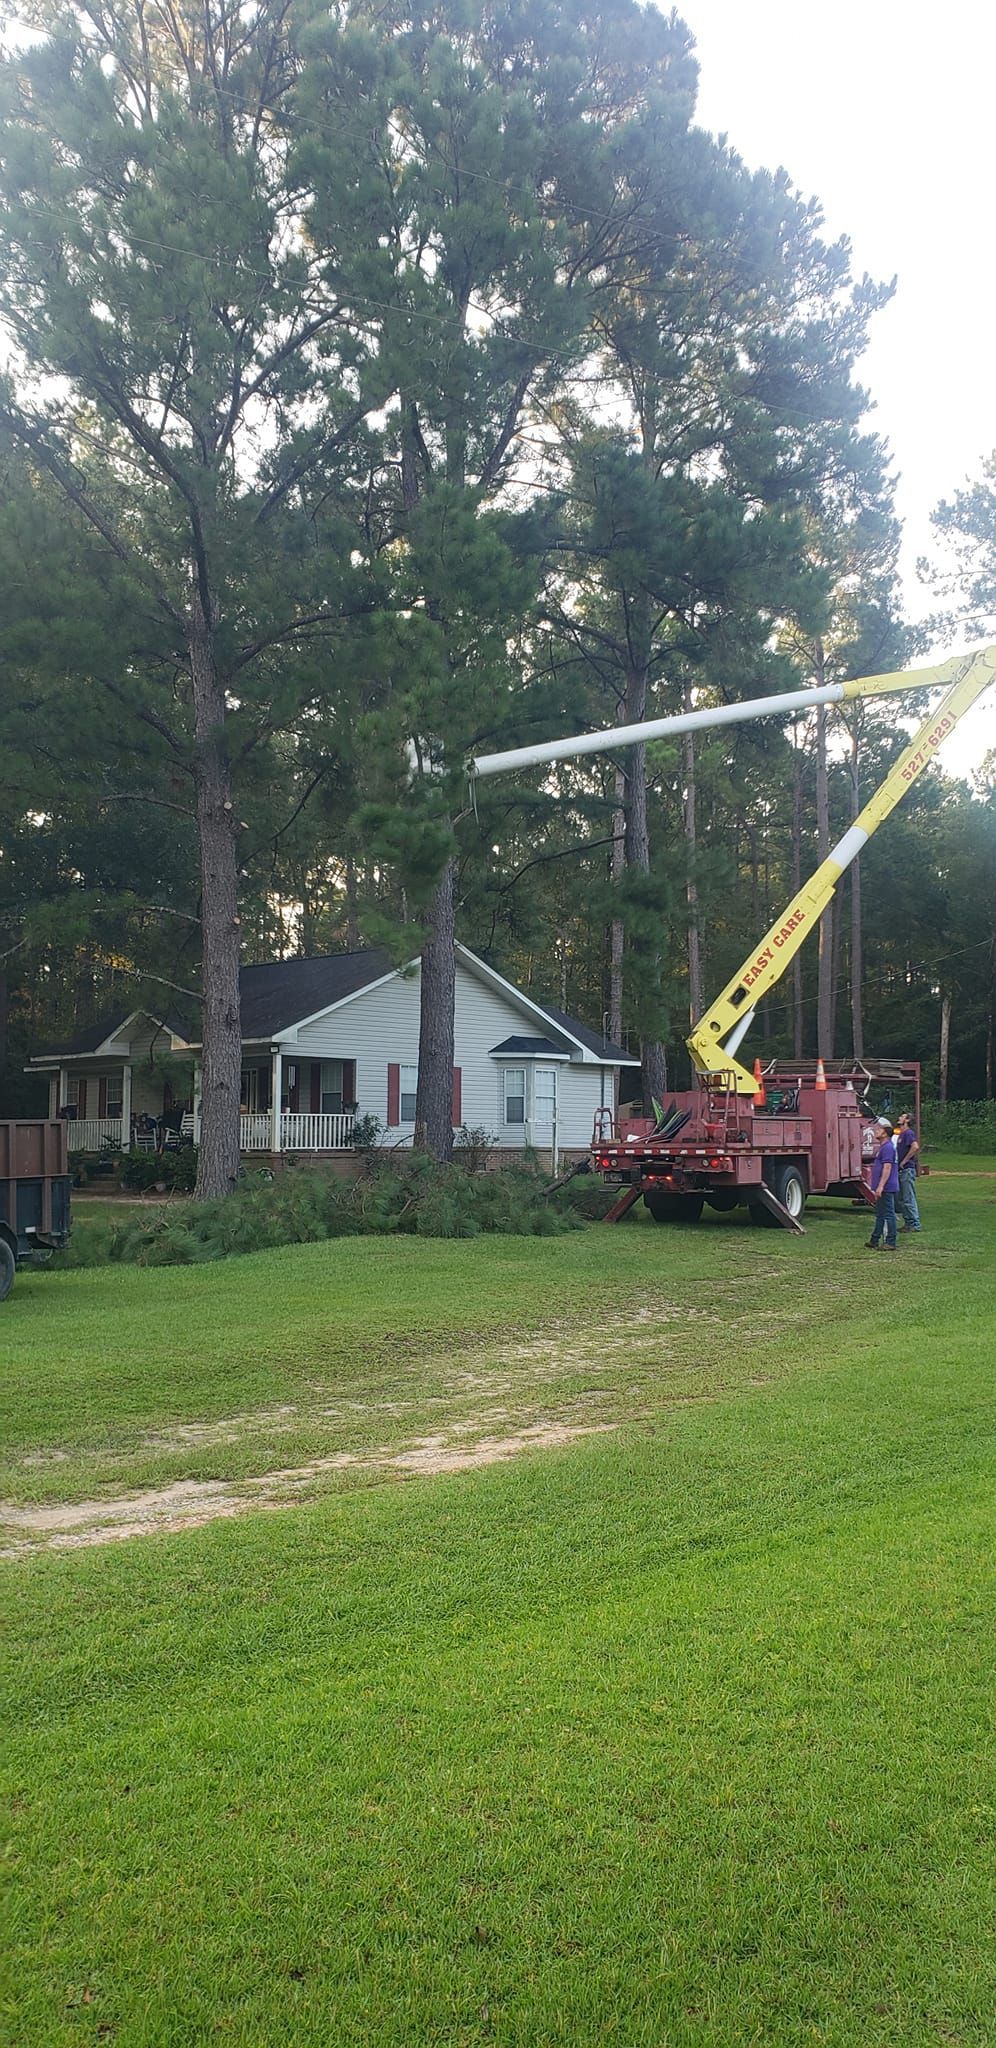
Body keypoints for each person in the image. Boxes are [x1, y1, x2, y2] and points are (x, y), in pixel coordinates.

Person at [865, 1118, 899, 1250]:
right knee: (880, 1213)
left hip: (887, 1186)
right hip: (883, 1186)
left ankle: (891, 1241)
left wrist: (881, 1186)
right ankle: (874, 1240)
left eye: (879, 1130)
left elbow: (887, 1167)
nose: (876, 1132)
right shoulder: (883, 1147)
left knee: (889, 1213)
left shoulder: (888, 1148)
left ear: (885, 1133)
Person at [896, 1111, 921, 1233]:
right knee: (901, 1199)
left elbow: (915, 1147)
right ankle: (908, 1223)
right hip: (901, 1170)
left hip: (907, 1170)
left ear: (907, 1120)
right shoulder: (901, 1134)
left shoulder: (908, 1133)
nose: (899, 1118)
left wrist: (905, 1161)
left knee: (908, 1197)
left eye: (902, 1117)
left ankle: (915, 1224)